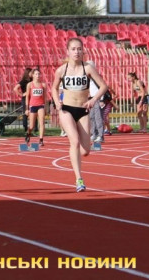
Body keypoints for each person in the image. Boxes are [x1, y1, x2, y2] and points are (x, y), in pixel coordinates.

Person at [50, 38, 107, 193]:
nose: (77, 52)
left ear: (83, 51)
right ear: (68, 51)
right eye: (73, 49)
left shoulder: (87, 68)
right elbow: (54, 88)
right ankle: (79, 179)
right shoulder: (61, 70)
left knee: (85, 151)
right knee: (74, 141)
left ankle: (76, 156)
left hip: (83, 110)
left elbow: (103, 86)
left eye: (79, 49)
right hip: (66, 109)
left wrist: (93, 100)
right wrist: (56, 101)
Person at [25, 68, 48, 146]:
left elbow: (45, 97)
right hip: (33, 106)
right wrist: (27, 109)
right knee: (31, 126)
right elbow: (27, 97)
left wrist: (46, 107)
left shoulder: (43, 85)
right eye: (36, 74)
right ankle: (28, 133)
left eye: (39, 74)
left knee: (42, 122)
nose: (38, 75)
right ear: (33, 75)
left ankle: (41, 140)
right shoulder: (29, 85)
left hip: (41, 105)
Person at [87, 61, 104, 144]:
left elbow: (102, 87)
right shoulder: (88, 77)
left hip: (97, 98)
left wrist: (101, 100)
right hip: (91, 99)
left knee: (98, 118)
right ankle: (94, 133)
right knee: (91, 117)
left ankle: (100, 135)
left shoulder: (96, 76)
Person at [13, 68, 32, 133]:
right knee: (25, 113)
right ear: (28, 73)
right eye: (31, 72)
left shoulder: (32, 80)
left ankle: (34, 128)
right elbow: (15, 88)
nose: (32, 74)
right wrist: (21, 94)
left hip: (32, 98)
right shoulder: (24, 81)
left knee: (33, 112)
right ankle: (25, 127)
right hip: (25, 98)